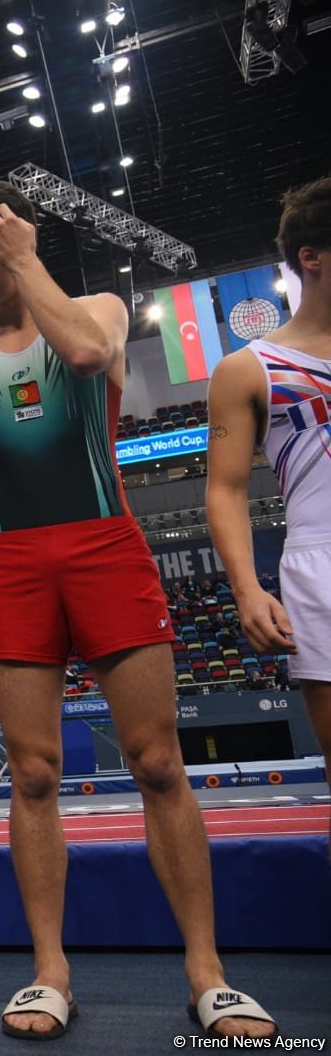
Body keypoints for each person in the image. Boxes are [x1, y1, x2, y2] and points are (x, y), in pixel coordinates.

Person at [0, 180, 276, 1040]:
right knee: (34, 773)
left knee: (158, 762)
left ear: (12, 243)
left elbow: (83, 357)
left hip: (105, 546)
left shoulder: (99, 310)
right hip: (12, 562)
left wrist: (25, 260)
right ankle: (51, 973)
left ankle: (207, 974)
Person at [205, 174, 331, 780]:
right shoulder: (249, 369)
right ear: (310, 258)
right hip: (320, 565)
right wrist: (247, 589)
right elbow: (225, 488)